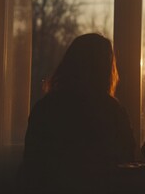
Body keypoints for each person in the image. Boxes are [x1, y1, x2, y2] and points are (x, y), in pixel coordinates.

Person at [21, 33, 135, 193]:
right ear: (106, 69)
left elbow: (32, 166)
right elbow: (127, 158)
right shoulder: (112, 111)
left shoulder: (46, 107)